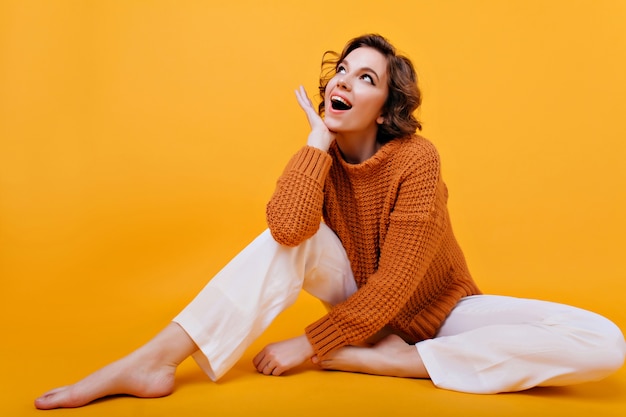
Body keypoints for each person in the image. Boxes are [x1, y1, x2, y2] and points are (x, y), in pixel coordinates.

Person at [34, 34, 625, 410]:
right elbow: (289, 232)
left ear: (387, 106)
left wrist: (312, 344)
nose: (343, 80)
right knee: (291, 237)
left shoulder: (416, 159)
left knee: (605, 342)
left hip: (445, 315)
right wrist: (315, 143)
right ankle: (157, 357)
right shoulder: (322, 156)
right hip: (361, 308)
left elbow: (396, 286)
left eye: (365, 77)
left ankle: (404, 362)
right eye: (342, 70)